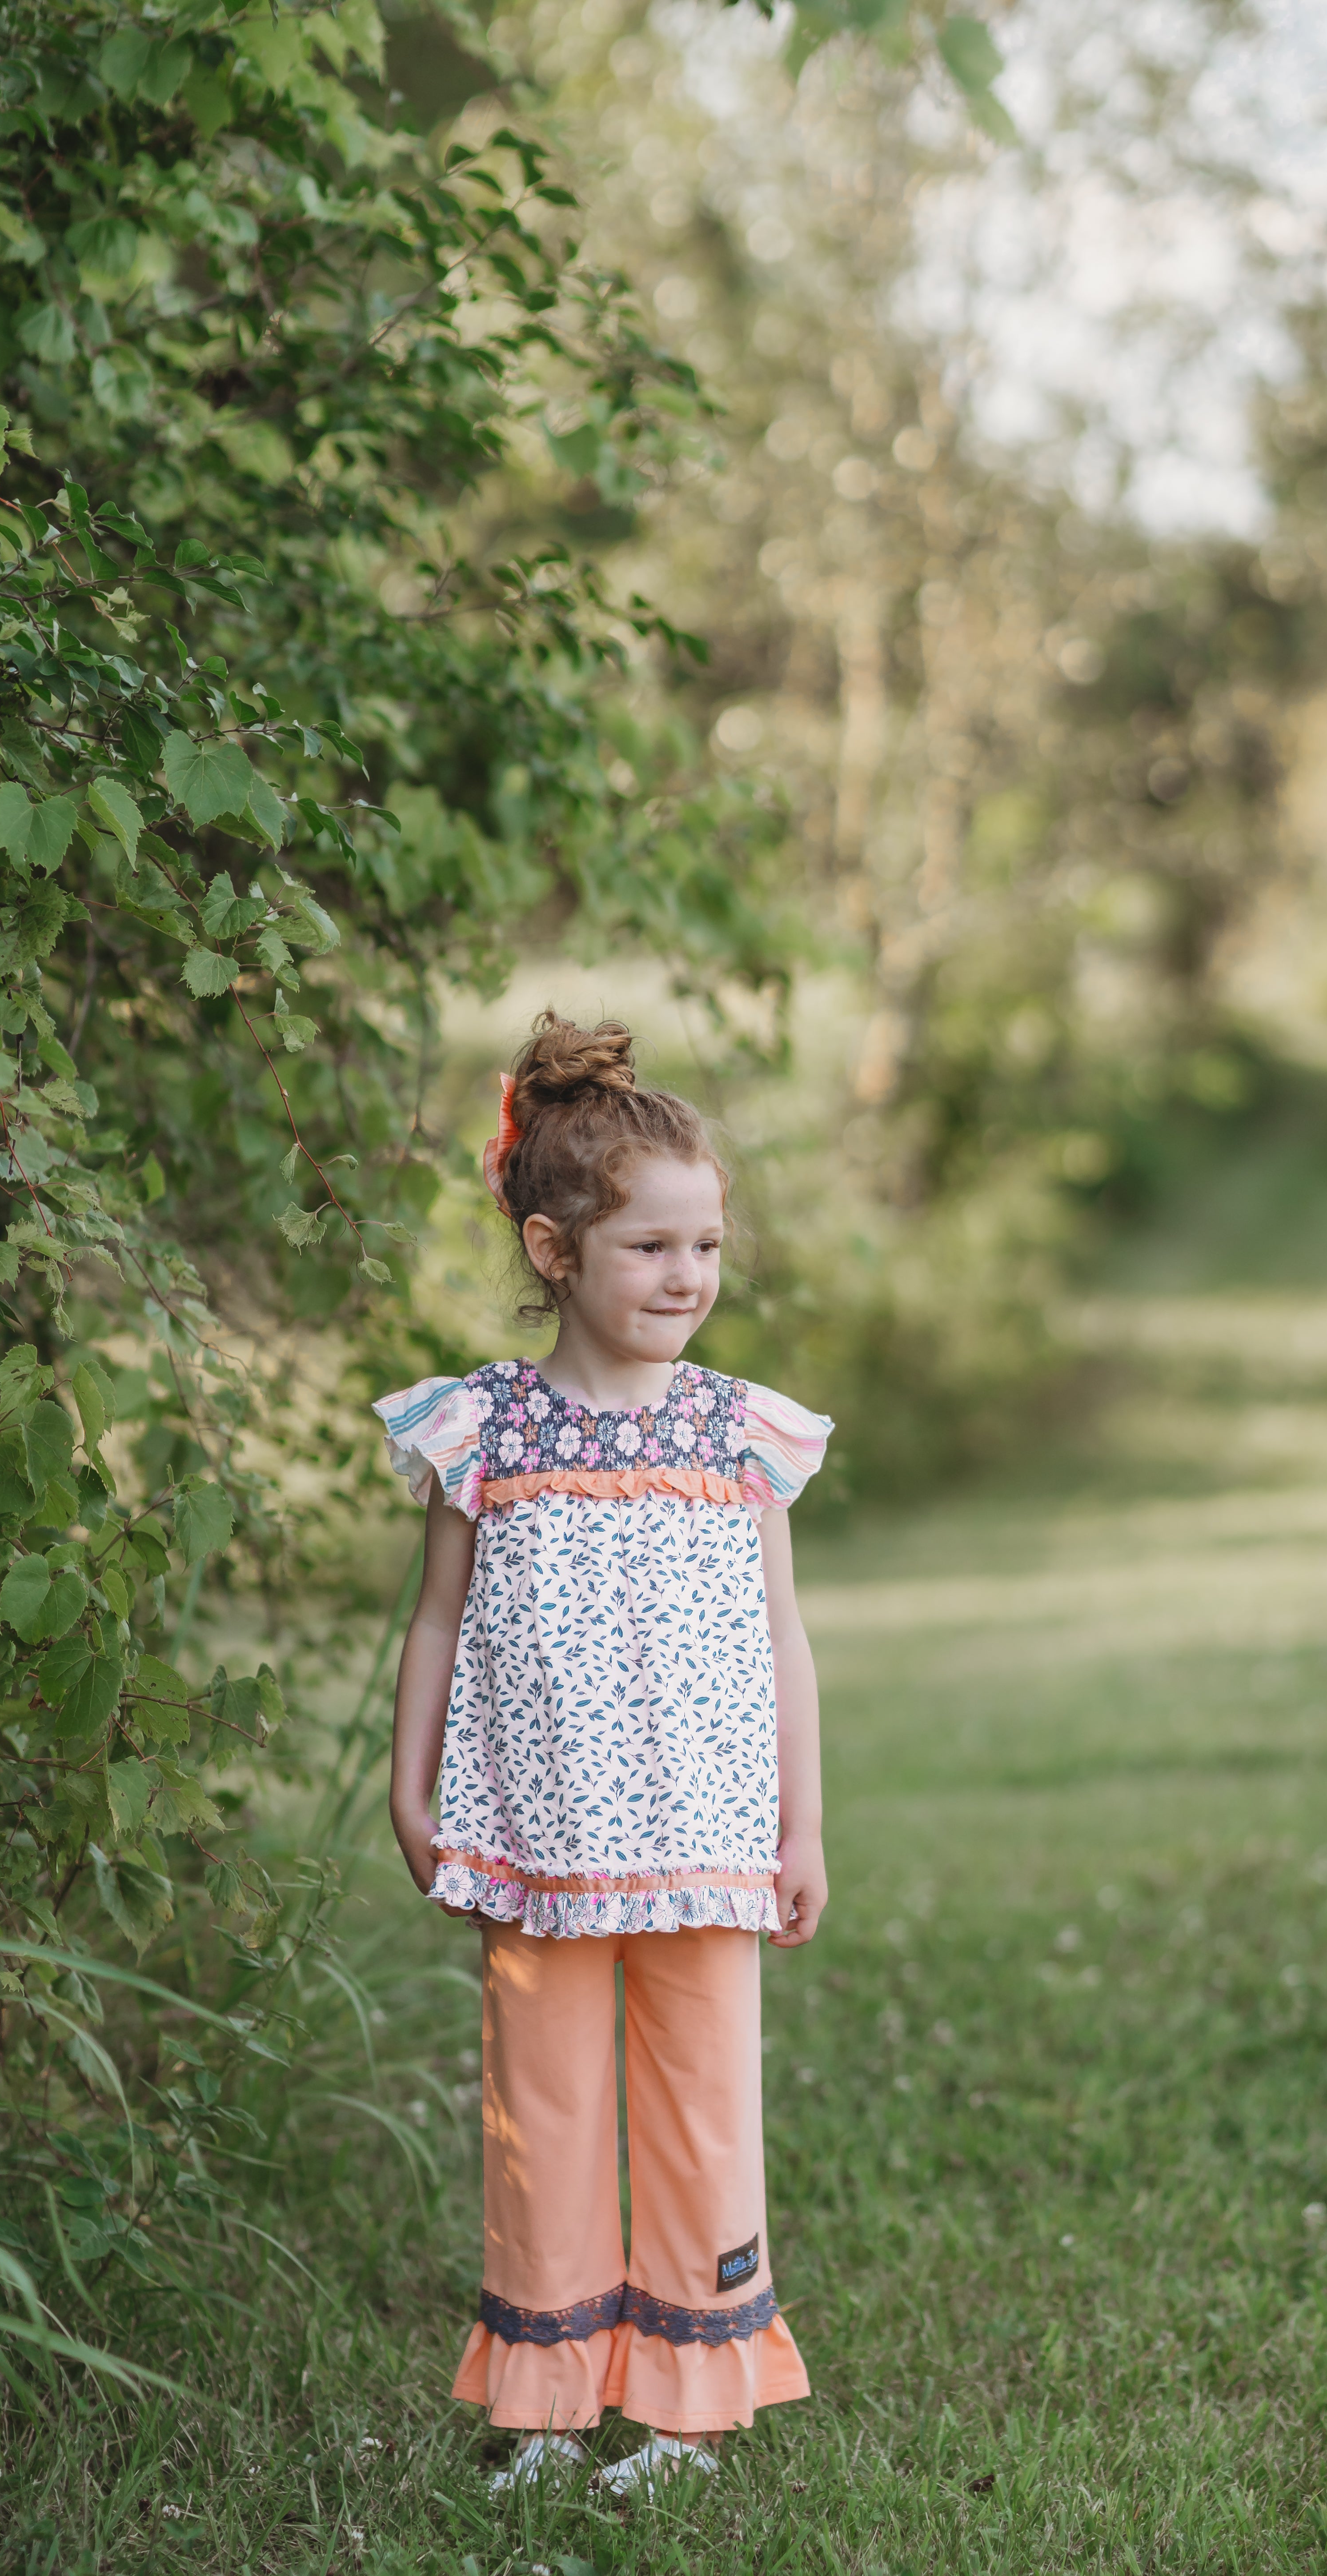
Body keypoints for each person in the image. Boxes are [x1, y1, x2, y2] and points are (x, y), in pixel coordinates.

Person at [375, 1010, 832, 2498]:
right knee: (544, 2114)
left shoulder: (734, 1433)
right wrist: (410, 1783)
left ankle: (692, 2409)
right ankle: (549, 2410)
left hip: (707, 1842)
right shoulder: (485, 1430)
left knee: (705, 2108)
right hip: (539, 1841)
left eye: (705, 1247)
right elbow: (438, 1622)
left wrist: (803, 1830)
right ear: (555, 1249)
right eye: (651, 1249)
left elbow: (783, 1644)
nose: (688, 1279)